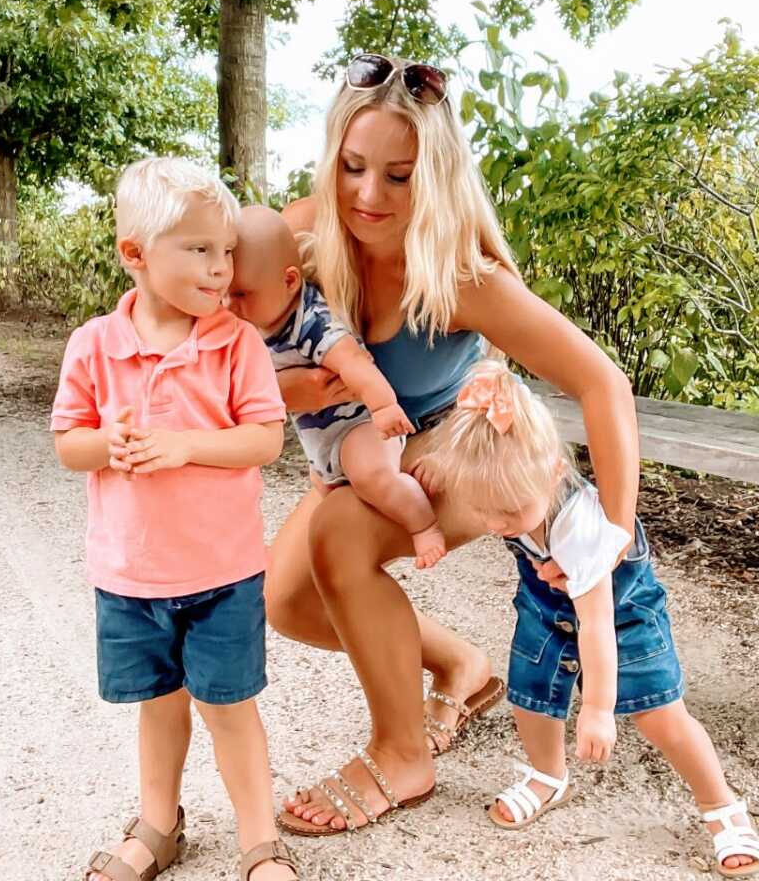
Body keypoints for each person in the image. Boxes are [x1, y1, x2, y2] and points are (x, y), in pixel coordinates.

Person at [260, 52, 638, 839]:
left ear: (432, 175)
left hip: (468, 444)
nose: (369, 195)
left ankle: (402, 755)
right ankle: (460, 667)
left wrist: (610, 534)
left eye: (398, 176)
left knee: (338, 539)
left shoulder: (461, 274)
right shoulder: (299, 237)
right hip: (367, 450)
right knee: (286, 601)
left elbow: (605, 385)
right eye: (353, 167)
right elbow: (200, 310)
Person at [412, 358, 759, 875]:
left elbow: (597, 625)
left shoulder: (579, 525)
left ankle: (721, 805)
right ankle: (547, 774)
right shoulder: (501, 484)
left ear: (554, 470)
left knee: (659, 710)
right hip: (546, 602)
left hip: (618, 611)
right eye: (483, 511)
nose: (495, 524)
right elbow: (452, 482)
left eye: (508, 513)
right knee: (529, 694)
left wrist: (598, 708)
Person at [50, 157, 297, 881]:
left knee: (229, 708)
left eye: (225, 252)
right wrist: (111, 444)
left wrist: (186, 444)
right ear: (135, 254)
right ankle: (159, 824)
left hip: (222, 571)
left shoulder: (235, 344)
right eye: (199, 251)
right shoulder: (95, 345)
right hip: (131, 573)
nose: (221, 270)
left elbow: (265, 438)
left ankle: (260, 840)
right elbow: (70, 444)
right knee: (157, 707)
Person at [229, 204, 446, 568]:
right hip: (323, 444)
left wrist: (383, 407)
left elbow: (354, 362)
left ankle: (423, 525)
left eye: (242, 294)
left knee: (373, 477)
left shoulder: (310, 320)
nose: (230, 305)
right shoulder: (254, 323)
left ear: (289, 281)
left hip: (359, 425)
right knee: (330, 500)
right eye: (226, 293)